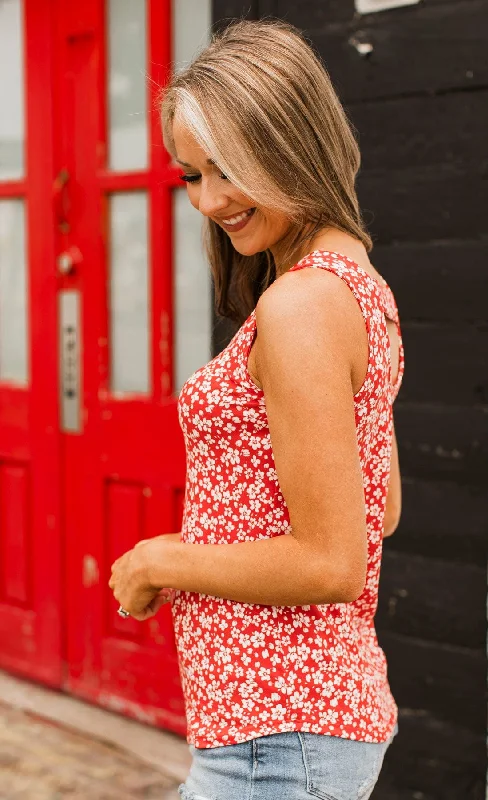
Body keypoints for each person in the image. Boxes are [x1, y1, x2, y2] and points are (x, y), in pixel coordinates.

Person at [109, 18, 404, 800]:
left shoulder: (302, 306)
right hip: (282, 730)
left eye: (229, 170)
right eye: (190, 176)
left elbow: (332, 560)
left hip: (280, 740)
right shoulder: (357, 286)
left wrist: (158, 559)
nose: (209, 201)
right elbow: (383, 508)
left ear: (291, 144)